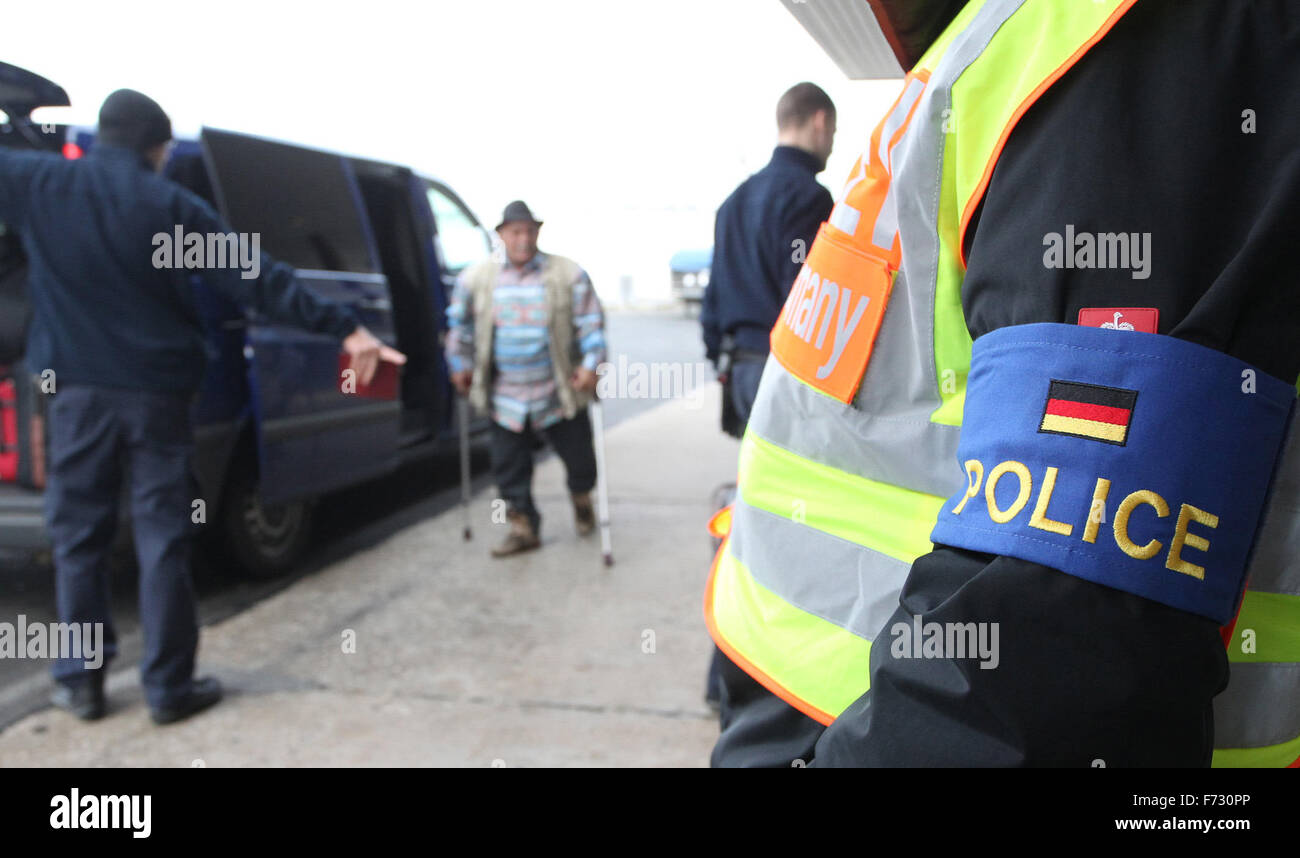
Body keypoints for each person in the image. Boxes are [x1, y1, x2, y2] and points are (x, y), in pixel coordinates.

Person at [707, 0, 1300, 767]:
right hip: (820, 702)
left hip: (866, 724)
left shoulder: (1147, 37)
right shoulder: (1004, 36)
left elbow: (1052, 648)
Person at [0, 88, 404, 725]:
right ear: (156, 148)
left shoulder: (42, 183)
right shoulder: (172, 206)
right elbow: (261, 279)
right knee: (163, 538)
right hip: (157, 399)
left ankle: (80, 684)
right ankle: (168, 690)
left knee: (77, 536)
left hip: (74, 397)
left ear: (104, 138)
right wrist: (345, 329)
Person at [446, 200, 607, 558]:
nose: (524, 239)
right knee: (508, 470)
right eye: (516, 232)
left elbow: (591, 325)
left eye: (530, 231)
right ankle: (522, 528)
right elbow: (460, 327)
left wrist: (592, 365)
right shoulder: (476, 279)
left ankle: (582, 500)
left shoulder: (567, 274)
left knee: (581, 461)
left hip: (559, 391)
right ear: (501, 235)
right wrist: (459, 364)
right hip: (505, 396)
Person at [701, 82, 836, 435]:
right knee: (795, 485)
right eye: (833, 133)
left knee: (757, 480)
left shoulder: (732, 204)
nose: (832, 146)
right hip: (781, 372)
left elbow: (712, 296)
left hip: (739, 370)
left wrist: (720, 360)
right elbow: (806, 293)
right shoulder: (810, 199)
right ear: (819, 122)